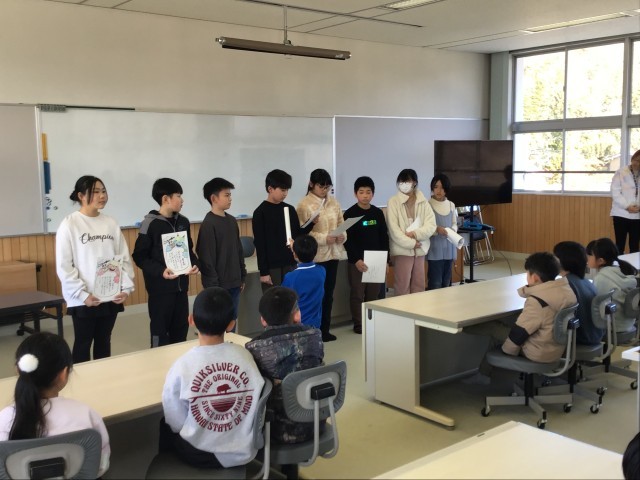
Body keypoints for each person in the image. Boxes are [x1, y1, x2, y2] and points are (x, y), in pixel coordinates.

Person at [161, 287, 264, 468]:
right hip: (244, 449)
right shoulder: (245, 356)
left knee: (165, 426)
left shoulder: (182, 365)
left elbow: (175, 420)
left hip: (202, 455)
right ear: (231, 324)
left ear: (191, 320)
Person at [0, 332, 110, 477]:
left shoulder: (3, 419)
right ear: (64, 374)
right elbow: (100, 465)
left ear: (18, 370)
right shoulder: (86, 414)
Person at [463, 252, 577, 385]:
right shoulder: (566, 291)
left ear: (535, 277)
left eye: (527, 274)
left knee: (494, 328)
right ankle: (484, 374)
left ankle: (465, 329)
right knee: (505, 327)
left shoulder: (537, 301)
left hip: (538, 352)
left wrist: (507, 352)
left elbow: (519, 333)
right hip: (556, 348)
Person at [56, 175, 135, 363]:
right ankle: (80, 380)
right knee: (83, 343)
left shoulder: (110, 223)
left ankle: (103, 377)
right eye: (95, 192)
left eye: (103, 191)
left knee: (104, 340)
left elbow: (123, 257)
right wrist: (82, 295)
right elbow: (64, 265)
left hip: (109, 294)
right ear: (81, 196)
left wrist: (126, 288)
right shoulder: (70, 224)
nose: (102, 196)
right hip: (84, 298)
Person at [245, 286, 324, 445]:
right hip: (316, 421)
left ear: (263, 320)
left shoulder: (254, 349)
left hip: (274, 429)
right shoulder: (315, 337)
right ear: (297, 315)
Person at [132, 178, 199, 348]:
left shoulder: (183, 222)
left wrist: (194, 264)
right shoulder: (150, 224)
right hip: (160, 291)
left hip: (181, 289)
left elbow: (189, 251)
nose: (182, 200)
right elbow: (140, 256)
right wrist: (160, 271)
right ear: (165, 199)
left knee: (180, 331)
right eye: (178, 196)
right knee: (160, 333)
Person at [297, 169, 346, 342]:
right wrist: (326, 238)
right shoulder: (304, 205)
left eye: (327, 187)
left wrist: (342, 236)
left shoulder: (334, 202)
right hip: (316, 256)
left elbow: (342, 224)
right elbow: (304, 234)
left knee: (329, 294)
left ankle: (325, 329)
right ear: (312, 184)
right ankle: (313, 330)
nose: (324, 191)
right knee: (316, 295)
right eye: (321, 187)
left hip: (333, 254)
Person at [252, 169, 313, 294]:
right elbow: (260, 244)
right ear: (270, 189)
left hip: (290, 263)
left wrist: (311, 223)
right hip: (272, 267)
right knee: (274, 300)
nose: (285, 194)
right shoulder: (260, 212)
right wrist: (264, 272)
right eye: (283, 190)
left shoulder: (290, 209)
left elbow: (297, 234)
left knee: (291, 298)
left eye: (287, 190)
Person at [196, 177, 246, 322]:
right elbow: (206, 258)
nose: (230, 198)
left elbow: (238, 251)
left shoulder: (232, 220)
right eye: (226, 195)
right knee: (218, 322)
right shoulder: (208, 224)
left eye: (230, 195)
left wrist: (242, 276)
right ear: (214, 198)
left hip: (235, 282)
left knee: (232, 321)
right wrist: (213, 287)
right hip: (218, 286)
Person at [343, 176, 389, 334]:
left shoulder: (377, 213)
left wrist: (385, 260)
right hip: (357, 261)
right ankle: (359, 324)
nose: (365, 195)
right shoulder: (350, 214)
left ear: (373, 194)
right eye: (361, 192)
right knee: (357, 294)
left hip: (376, 260)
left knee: (373, 294)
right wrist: (356, 259)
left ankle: (371, 321)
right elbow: (347, 240)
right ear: (355, 194)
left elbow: (384, 237)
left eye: (368, 192)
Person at [386, 169, 436, 295]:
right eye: (401, 182)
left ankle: (418, 308)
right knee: (402, 287)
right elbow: (394, 230)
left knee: (419, 286)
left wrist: (416, 234)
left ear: (414, 182)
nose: (404, 184)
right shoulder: (393, 201)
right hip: (403, 250)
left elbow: (431, 225)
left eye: (407, 181)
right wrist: (411, 243)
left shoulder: (423, 201)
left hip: (420, 248)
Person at [553, 241, 604, 345]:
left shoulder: (565, 285)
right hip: (594, 335)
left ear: (563, 260)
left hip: (578, 338)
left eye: (555, 257)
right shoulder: (586, 281)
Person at [586, 237, 637, 333]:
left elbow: (596, 308)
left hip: (613, 328)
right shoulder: (619, 271)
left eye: (589, 255)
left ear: (601, 261)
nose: (587, 258)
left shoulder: (601, 278)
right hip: (628, 324)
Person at [282, 235, 325, 329]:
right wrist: (296, 249)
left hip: (298, 325)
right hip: (316, 324)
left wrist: (296, 250)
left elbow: (284, 301)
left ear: (294, 254)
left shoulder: (290, 277)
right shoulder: (321, 271)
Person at [427, 173, 458, 290]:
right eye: (436, 187)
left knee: (446, 282)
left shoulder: (451, 205)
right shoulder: (427, 204)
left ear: (446, 189)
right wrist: (437, 229)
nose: (438, 190)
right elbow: (426, 226)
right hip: (434, 248)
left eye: (442, 187)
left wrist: (452, 230)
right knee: (435, 282)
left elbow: (454, 223)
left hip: (449, 247)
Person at [610, 149, 640, 254]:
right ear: (632, 159)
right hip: (621, 214)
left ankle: (634, 265)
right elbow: (615, 192)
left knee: (635, 246)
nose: (637, 163)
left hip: (637, 215)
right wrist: (627, 206)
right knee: (620, 245)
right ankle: (618, 264)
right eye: (636, 160)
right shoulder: (621, 172)